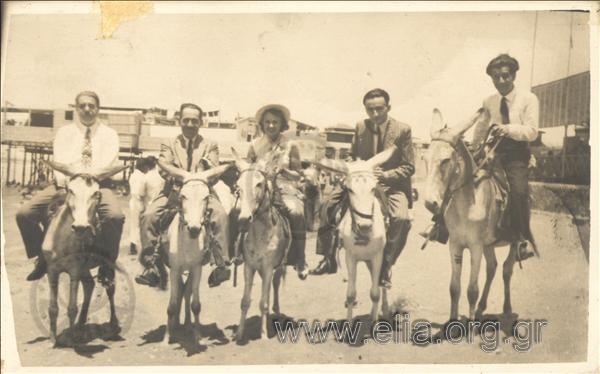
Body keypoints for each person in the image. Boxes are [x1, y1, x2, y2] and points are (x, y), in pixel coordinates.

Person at [16, 91, 125, 283]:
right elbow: (59, 162)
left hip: (98, 185)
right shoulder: (64, 132)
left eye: (91, 105)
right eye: (82, 105)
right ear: (76, 109)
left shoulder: (110, 134)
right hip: (67, 184)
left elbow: (109, 163)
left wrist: (92, 178)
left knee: (115, 217)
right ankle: (41, 256)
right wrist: (67, 183)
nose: (87, 109)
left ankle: (107, 264)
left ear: (98, 108)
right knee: (24, 213)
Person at [310, 88, 414, 289]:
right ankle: (327, 257)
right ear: (365, 109)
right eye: (370, 109)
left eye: (379, 109)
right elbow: (352, 155)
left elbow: (409, 166)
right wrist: (349, 171)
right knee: (327, 204)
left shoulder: (403, 130)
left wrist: (386, 175)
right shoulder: (360, 127)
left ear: (388, 107)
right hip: (360, 180)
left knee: (400, 217)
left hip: (389, 183)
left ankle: (386, 264)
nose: (375, 114)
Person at [135, 103, 232, 288]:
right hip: (174, 191)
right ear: (179, 121)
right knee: (149, 216)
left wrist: (204, 173)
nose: (190, 124)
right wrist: (183, 181)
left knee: (220, 215)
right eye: (186, 120)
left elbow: (213, 170)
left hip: (202, 191)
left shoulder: (210, 145)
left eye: (194, 121)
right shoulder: (169, 143)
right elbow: (164, 168)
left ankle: (220, 263)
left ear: (201, 122)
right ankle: (151, 266)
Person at [471, 53, 539, 260]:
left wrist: (508, 129)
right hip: (493, 152)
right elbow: (481, 127)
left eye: (505, 76)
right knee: (462, 178)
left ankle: (520, 240)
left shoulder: (529, 98)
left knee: (518, 191)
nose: (500, 81)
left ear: (513, 76)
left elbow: (532, 131)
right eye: (495, 77)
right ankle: (440, 226)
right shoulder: (489, 101)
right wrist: (474, 150)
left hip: (517, 154)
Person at [232, 104, 309, 280]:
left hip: (284, 187)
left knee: (296, 212)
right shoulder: (255, 144)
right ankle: (233, 253)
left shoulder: (291, 145)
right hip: (258, 187)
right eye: (267, 122)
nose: (271, 126)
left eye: (275, 122)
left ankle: (300, 258)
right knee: (236, 209)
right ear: (262, 124)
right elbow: (248, 169)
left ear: (282, 124)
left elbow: (298, 175)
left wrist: (284, 170)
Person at [128, 156, 164, 255]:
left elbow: (141, 193)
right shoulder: (161, 178)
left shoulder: (143, 177)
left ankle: (136, 245)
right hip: (155, 203)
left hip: (141, 202)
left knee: (136, 224)